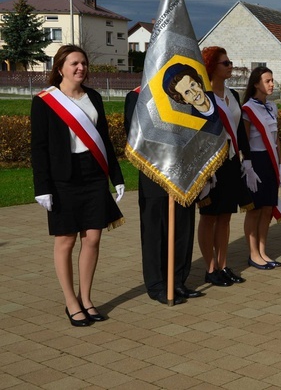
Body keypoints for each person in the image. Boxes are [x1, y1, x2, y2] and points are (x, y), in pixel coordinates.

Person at [31, 44, 124, 326]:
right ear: (60, 68)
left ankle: (86, 298)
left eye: (83, 63)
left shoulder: (93, 97)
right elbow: (39, 147)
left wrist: (117, 177)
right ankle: (71, 302)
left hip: (93, 173)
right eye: (74, 63)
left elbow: (105, 141)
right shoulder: (45, 101)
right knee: (66, 240)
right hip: (63, 177)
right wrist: (42, 187)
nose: (80, 67)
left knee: (93, 238)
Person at [125, 88, 202, 304]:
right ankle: (157, 284)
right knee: (155, 231)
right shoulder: (137, 96)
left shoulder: (184, 90)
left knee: (183, 228)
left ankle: (178, 280)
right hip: (155, 171)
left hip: (183, 172)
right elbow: (135, 134)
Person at [197, 46, 252, 286]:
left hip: (230, 161)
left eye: (230, 62)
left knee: (226, 216)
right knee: (209, 216)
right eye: (225, 63)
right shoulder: (201, 96)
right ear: (211, 66)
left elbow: (239, 129)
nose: (230, 66)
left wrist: (246, 158)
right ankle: (210, 267)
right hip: (210, 163)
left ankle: (223, 264)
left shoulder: (233, 95)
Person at [241, 66, 281, 270]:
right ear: (256, 83)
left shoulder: (272, 107)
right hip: (255, 162)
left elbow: (276, 139)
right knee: (255, 209)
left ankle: (262, 250)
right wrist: (247, 163)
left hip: (270, 161)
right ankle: (253, 253)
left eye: (272, 80)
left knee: (268, 208)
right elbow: (245, 139)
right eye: (267, 81)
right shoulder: (248, 109)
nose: (271, 84)